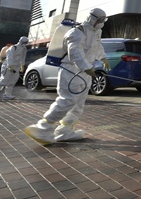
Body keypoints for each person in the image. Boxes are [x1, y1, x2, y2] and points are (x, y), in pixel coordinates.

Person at [25, 8, 110, 145]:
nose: (102, 23)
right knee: (67, 100)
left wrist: (103, 58)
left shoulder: (96, 33)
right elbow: (75, 53)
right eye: (100, 20)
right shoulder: (76, 33)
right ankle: (43, 128)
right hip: (70, 71)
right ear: (93, 19)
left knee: (78, 104)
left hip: (84, 73)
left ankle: (65, 130)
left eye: (103, 20)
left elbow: (97, 46)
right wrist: (87, 68)